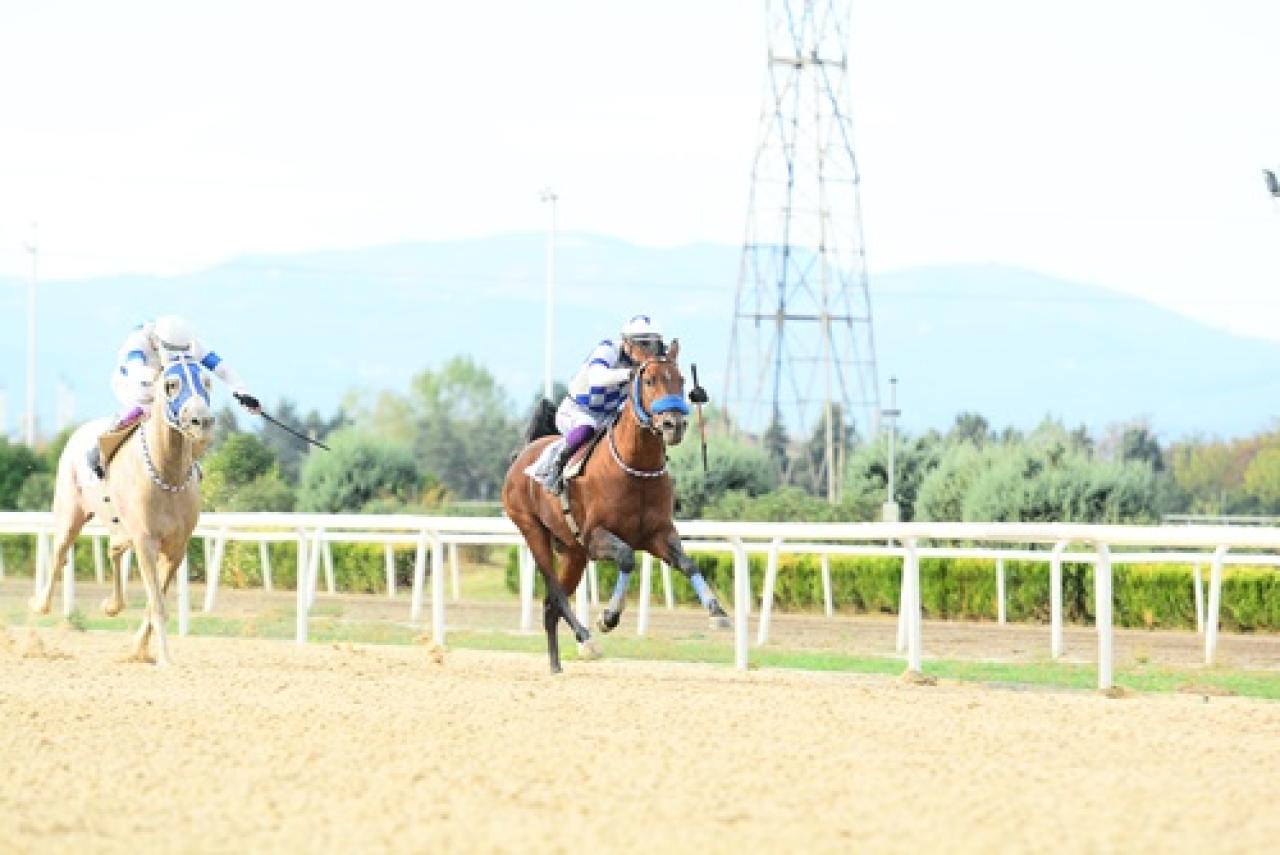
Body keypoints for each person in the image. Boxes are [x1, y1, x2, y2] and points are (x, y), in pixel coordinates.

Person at [87, 315, 261, 477]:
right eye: (172, 350)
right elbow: (135, 372)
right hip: (134, 384)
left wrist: (243, 394)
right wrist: (157, 379)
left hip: (170, 382)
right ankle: (101, 447)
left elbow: (223, 370)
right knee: (144, 409)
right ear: (156, 341)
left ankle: (187, 458)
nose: (179, 354)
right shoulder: (138, 341)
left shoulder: (191, 344)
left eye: (184, 350)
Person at [539, 314, 668, 495]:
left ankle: (660, 483)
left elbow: (669, 378)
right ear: (627, 344)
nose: (650, 351)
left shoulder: (649, 362)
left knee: (644, 433)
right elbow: (597, 377)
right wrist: (630, 374)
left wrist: (692, 394)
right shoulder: (608, 349)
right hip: (578, 410)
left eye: (654, 344)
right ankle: (555, 468)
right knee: (587, 428)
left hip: (612, 414)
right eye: (644, 344)